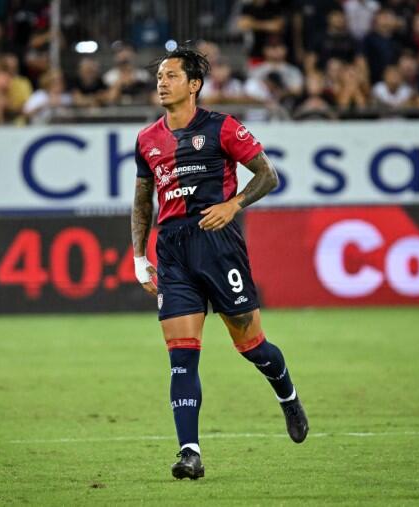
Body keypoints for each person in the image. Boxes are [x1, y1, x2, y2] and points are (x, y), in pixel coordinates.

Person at [130, 47, 308, 481]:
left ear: (194, 84)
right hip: (173, 250)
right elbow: (142, 201)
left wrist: (234, 204)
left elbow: (268, 175)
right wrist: (138, 256)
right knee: (181, 356)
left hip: (218, 244)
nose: (162, 82)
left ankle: (287, 395)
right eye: (160, 76)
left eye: (172, 75)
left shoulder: (222, 127)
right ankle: (189, 452)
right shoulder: (147, 140)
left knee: (251, 345)